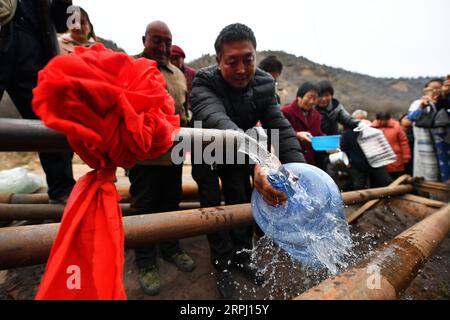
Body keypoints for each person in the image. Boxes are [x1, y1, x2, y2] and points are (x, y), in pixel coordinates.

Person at [190, 23, 305, 299]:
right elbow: (217, 120)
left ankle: (243, 257)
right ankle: (222, 264)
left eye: (248, 59)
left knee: (241, 199)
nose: (242, 69)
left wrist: (300, 167)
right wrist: (259, 155)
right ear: (218, 61)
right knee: (211, 206)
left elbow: (280, 127)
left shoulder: (264, 83)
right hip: (206, 148)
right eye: (232, 62)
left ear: (256, 54)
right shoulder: (203, 82)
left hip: (239, 151)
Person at [129, 20, 194, 296]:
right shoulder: (130, 67)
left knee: (171, 202)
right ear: (144, 39)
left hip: (173, 154)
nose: (163, 47)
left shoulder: (178, 74)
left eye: (168, 42)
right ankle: (145, 262)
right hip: (143, 157)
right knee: (144, 208)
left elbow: (184, 112)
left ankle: (171, 248)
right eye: (157, 40)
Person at [0, 0, 76, 204]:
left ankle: (62, 190)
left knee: (52, 117)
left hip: (34, 45)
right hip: (3, 27)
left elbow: (64, 24)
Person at [315, 80, 359, 173]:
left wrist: (360, 123)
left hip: (333, 144)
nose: (323, 99)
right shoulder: (311, 109)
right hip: (316, 144)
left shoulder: (336, 107)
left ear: (331, 95)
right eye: (320, 96)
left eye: (326, 95)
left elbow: (348, 120)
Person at [341, 110, 393, 190]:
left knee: (386, 181)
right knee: (359, 186)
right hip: (357, 164)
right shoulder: (347, 133)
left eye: (362, 120)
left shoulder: (371, 130)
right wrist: (348, 161)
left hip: (373, 162)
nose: (360, 122)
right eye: (358, 120)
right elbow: (344, 149)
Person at [281, 82, 324, 166]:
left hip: (309, 161)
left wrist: (328, 145)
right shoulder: (285, 112)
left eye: (315, 98)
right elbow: (279, 132)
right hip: (289, 160)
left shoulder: (317, 116)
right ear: (299, 97)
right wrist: (297, 134)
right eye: (309, 97)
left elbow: (317, 134)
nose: (311, 101)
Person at [372, 112, 411, 179]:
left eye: (384, 120)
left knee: (394, 176)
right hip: (379, 158)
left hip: (395, 157)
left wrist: (406, 156)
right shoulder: (372, 128)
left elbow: (404, 142)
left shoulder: (397, 127)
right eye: (380, 120)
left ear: (388, 120)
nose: (382, 122)